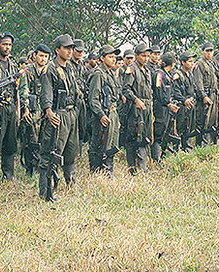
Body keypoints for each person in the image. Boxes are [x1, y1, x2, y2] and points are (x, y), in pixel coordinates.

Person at [39, 34, 81, 202]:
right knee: (51, 154)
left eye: (72, 48)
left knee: (71, 151)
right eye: (66, 48)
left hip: (71, 114)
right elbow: (46, 93)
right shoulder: (50, 69)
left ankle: (71, 182)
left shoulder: (70, 67)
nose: (70, 51)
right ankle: (47, 192)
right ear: (57, 50)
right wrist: (48, 111)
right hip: (58, 114)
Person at [0, 32, 20, 187]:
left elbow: (16, 88)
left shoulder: (12, 65)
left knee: (10, 142)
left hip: (10, 108)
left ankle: (9, 174)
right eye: (4, 44)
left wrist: (18, 108)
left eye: (9, 45)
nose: (7, 48)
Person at [87, 45, 120, 174]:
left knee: (111, 145)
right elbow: (93, 99)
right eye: (110, 57)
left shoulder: (110, 73)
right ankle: (96, 174)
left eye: (114, 57)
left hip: (112, 113)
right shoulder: (98, 74)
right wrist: (100, 115)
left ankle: (108, 171)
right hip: (102, 115)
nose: (113, 59)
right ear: (102, 58)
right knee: (98, 145)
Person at [19, 43, 51, 176]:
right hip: (32, 109)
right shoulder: (26, 71)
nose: (43, 59)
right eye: (41, 56)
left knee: (44, 139)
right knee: (31, 139)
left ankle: (41, 167)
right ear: (35, 55)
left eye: (46, 56)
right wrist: (25, 109)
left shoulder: (49, 70)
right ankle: (30, 168)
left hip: (45, 109)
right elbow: (24, 91)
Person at [122, 42, 153, 174]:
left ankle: (142, 166)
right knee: (133, 137)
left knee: (144, 136)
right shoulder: (131, 69)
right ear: (136, 56)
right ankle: (133, 168)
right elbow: (126, 89)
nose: (146, 58)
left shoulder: (147, 70)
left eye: (147, 56)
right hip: (135, 109)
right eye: (143, 56)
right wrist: (136, 100)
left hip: (146, 107)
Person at [152, 52, 180, 156]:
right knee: (159, 133)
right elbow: (159, 92)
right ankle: (156, 159)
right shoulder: (159, 74)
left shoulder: (168, 74)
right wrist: (168, 104)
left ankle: (163, 155)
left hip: (168, 108)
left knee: (166, 132)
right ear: (172, 63)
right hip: (161, 108)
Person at [192, 42, 218, 145]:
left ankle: (207, 144)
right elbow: (198, 82)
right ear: (202, 51)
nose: (209, 53)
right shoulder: (199, 64)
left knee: (210, 121)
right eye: (207, 51)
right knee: (202, 121)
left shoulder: (211, 64)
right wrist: (203, 96)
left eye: (211, 51)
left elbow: (215, 81)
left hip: (212, 95)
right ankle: (199, 145)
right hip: (204, 96)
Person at [172, 51, 198, 152]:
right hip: (181, 105)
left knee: (188, 127)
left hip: (190, 105)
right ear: (183, 62)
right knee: (179, 128)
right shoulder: (178, 75)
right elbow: (175, 92)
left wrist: (192, 98)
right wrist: (184, 100)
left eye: (192, 61)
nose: (192, 63)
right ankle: (176, 149)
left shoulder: (190, 74)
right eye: (189, 61)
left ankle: (187, 147)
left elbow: (194, 88)